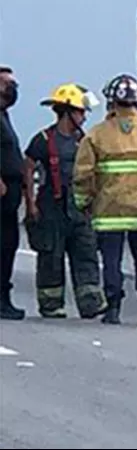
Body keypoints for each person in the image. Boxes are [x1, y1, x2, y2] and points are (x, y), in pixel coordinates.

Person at [74, 74, 137, 325]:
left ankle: (113, 309)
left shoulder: (96, 135)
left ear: (111, 102)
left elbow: (83, 173)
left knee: (111, 260)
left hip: (108, 210)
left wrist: (82, 202)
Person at [21, 83, 108, 319]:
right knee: (51, 256)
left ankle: (90, 303)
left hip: (80, 207)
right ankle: (51, 304)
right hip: (51, 207)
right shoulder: (43, 139)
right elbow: (28, 167)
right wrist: (31, 204)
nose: (84, 116)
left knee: (86, 253)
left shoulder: (86, 141)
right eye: (80, 111)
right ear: (67, 111)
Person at [0, 66, 26, 320]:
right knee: (3, 245)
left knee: (8, 245)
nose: (12, 88)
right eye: (7, 84)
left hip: (11, 191)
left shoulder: (4, 115)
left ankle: (3, 298)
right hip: (2, 189)